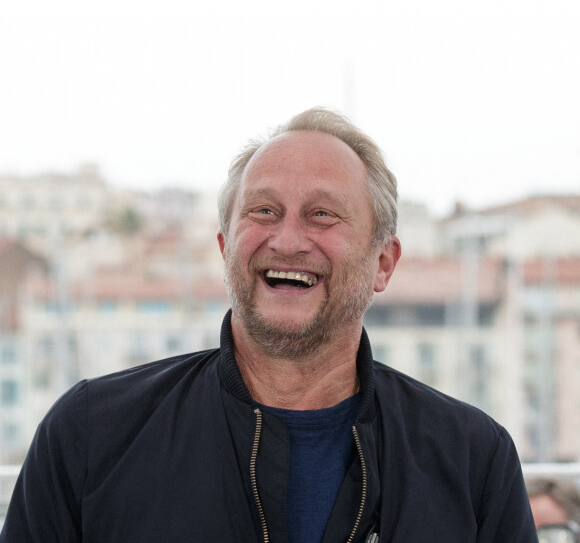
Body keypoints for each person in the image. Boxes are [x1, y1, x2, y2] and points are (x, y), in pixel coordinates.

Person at [0, 108, 537, 542]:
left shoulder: (472, 458)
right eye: (262, 211)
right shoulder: (91, 433)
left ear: (383, 263)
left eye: (323, 214)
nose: (287, 240)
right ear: (224, 247)